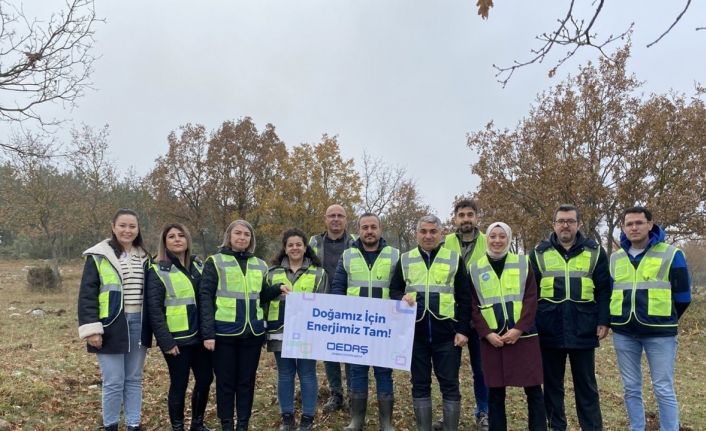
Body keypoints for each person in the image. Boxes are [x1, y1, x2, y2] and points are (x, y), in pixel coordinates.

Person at [529, 204, 610, 431]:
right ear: (553, 224)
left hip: (583, 328)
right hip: (548, 329)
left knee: (586, 387)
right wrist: (531, 325)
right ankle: (557, 427)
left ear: (579, 224)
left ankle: (592, 427)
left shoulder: (594, 251)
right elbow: (530, 293)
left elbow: (604, 289)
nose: (565, 225)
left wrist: (604, 320)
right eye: (561, 220)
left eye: (570, 221)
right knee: (552, 386)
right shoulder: (538, 253)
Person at [610, 206, 691, 431]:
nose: (634, 227)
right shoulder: (615, 258)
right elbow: (610, 292)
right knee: (631, 387)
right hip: (624, 332)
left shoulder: (671, 254)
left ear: (650, 224)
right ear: (623, 229)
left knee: (663, 387)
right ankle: (637, 427)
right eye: (629, 224)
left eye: (638, 223)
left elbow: (683, 296)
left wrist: (664, 317)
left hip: (660, 333)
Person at [199, 220, 285, 431]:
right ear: (229, 236)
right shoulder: (215, 261)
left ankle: (243, 425)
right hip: (223, 333)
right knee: (225, 383)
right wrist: (208, 333)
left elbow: (261, 296)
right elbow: (205, 297)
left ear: (251, 239)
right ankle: (227, 424)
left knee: (246, 382)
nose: (242, 237)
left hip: (253, 334)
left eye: (246, 234)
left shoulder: (260, 264)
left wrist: (277, 288)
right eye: (238, 233)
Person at [390, 215, 471, 431]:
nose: (428, 236)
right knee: (419, 384)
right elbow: (394, 289)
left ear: (440, 233)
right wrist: (401, 298)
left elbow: (465, 297)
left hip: (447, 335)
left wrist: (463, 329)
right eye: (423, 231)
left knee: (450, 385)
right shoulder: (405, 259)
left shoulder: (454, 259)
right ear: (416, 234)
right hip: (416, 335)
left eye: (433, 231)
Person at [77, 208, 151, 431]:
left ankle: (133, 424)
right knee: (113, 381)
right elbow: (87, 294)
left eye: (132, 226)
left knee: (134, 379)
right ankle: (110, 425)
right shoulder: (99, 256)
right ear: (113, 227)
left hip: (138, 323)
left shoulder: (145, 257)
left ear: (138, 229)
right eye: (123, 225)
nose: (127, 230)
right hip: (111, 325)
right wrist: (92, 329)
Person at [469, 222, 546, 431]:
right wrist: (486, 333)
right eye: (492, 236)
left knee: (533, 390)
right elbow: (472, 306)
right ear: (487, 239)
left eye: (501, 236)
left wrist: (519, 328)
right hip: (492, 340)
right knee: (495, 392)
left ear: (508, 239)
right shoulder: (475, 268)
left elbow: (531, 298)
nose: (497, 240)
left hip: (523, 336)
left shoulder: (523, 263)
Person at [331, 213, 400, 431]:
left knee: (384, 373)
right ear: (358, 230)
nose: (369, 231)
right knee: (357, 373)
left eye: (373, 227)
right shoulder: (348, 255)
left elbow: (400, 288)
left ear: (380, 229)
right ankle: (356, 421)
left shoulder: (395, 255)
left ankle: (386, 423)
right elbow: (338, 289)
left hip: (384, 327)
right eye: (364, 227)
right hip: (356, 328)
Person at [146, 223, 213, 431]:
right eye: (171, 237)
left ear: (187, 240)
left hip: (201, 336)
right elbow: (154, 310)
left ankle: (197, 424)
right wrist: (166, 341)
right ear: (164, 243)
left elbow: (206, 299)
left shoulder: (198, 266)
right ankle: (177, 427)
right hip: (177, 340)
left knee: (205, 380)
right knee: (179, 383)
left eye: (181, 235)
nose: (177, 239)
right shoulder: (158, 269)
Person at [266, 228, 328, 431]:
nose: (295, 248)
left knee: (307, 374)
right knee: (285, 374)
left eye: (298, 244)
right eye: (290, 244)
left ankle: (307, 418)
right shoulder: (272, 273)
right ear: (284, 248)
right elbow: (263, 300)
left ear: (305, 247)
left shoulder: (318, 273)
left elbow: (325, 304)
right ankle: (287, 418)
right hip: (279, 330)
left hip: (307, 332)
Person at [439, 199, 489, 431]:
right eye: (462, 215)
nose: (466, 219)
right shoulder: (445, 242)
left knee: (482, 369)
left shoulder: (489, 241)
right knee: (448, 371)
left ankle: (484, 411)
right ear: (455, 219)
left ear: (476, 217)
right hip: (453, 315)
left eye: (470, 214)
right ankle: (449, 414)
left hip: (481, 316)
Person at [308, 204, 356, 412]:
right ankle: (336, 394)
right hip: (324, 304)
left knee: (353, 351)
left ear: (346, 220)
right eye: (332, 216)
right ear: (325, 219)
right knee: (330, 353)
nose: (336, 219)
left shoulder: (355, 242)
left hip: (351, 304)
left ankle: (356, 393)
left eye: (340, 216)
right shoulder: (314, 242)